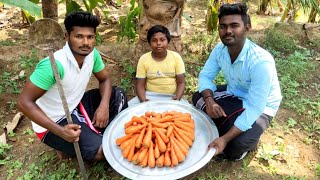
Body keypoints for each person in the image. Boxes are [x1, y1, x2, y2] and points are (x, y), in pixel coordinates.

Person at [17, 11, 128, 161]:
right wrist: (61, 131)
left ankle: (88, 133)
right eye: (79, 36)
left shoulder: (92, 54)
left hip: (76, 104)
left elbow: (105, 80)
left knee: (118, 95)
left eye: (90, 37)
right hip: (56, 120)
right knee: (103, 152)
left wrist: (104, 106)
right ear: (66, 37)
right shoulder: (54, 65)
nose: (85, 43)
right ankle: (64, 142)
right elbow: (24, 102)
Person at [192, 3, 282, 161]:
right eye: (223, 26)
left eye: (234, 26)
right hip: (234, 92)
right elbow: (205, 76)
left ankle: (245, 136)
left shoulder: (261, 61)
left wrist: (224, 139)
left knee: (235, 147)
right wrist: (210, 100)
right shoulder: (220, 50)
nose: (228, 31)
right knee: (198, 97)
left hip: (262, 106)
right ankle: (229, 124)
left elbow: (255, 106)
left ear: (247, 28)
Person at [128, 25, 186, 106]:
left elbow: (181, 82)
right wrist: (143, 100)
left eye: (162, 40)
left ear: (168, 41)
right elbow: (140, 85)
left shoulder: (176, 57)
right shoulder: (144, 59)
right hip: (149, 96)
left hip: (171, 97)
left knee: (187, 113)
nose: (158, 43)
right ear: (149, 43)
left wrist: (177, 98)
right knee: (129, 109)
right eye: (154, 40)